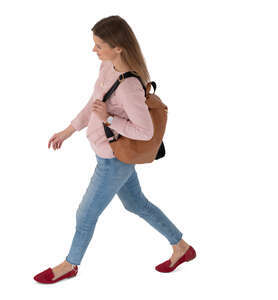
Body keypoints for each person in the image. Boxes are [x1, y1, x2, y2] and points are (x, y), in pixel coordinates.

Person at [34, 15, 196, 284]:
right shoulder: (108, 67)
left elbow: (146, 132)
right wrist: (68, 130)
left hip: (113, 162)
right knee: (136, 204)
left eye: (99, 45)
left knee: (86, 213)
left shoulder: (130, 86)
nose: (93, 50)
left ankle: (69, 265)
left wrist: (109, 118)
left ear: (118, 47)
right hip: (108, 156)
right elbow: (94, 103)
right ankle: (182, 248)